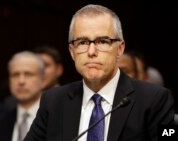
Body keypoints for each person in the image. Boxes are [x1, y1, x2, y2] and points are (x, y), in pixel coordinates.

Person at [24, 4, 174, 141]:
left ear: (120, 49)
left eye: (102, 41)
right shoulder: (53, 101)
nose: (91, 52)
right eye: (82, 42)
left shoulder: (155, 99)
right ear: (72, 51)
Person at [0, 51, 44, 141]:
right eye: (15, 75)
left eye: (28, 74)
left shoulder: (56, 120)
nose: (21, 81)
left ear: (42, 79)